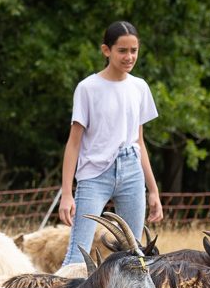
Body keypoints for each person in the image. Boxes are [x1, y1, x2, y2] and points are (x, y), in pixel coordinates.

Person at [58, 21, 164, 266]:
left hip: (131, 171)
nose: (129, 57)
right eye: (122, 51)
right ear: (106, 50)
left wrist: (154, 190)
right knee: (78, 253)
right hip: (94, 176)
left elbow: (139, 141)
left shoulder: (139, 87)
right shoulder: (88, 88)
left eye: (134, 51)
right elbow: (73, 144)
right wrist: (66, 193)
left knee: (134, 254)